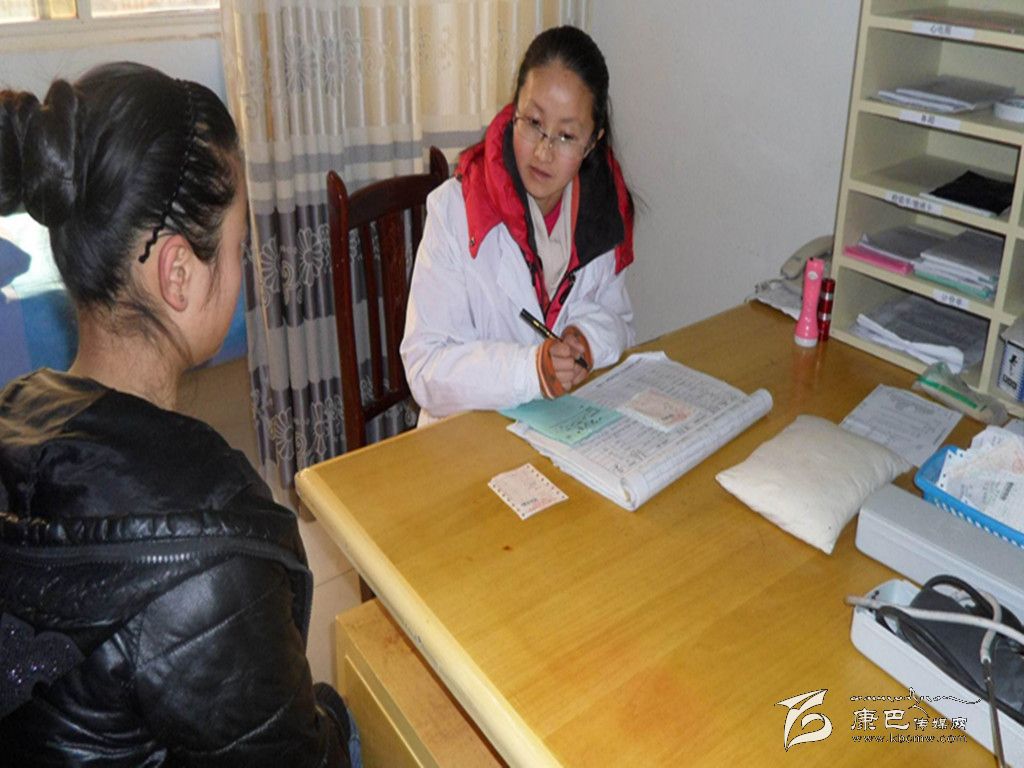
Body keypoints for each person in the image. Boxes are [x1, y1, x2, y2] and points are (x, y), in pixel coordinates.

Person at [0, 63, 356, 767]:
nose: (244, 266)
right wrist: (337, 716)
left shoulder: (16, 407)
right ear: (178, 273)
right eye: (239, 245)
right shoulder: (211, 553)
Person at [400, 25, 636, 424]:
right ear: (514, 112)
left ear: (592, 142)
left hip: (559, 429)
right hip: (465, 438)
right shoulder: (456, 210)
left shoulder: (603, 212)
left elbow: (621, 323)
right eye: (534, 123)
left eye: (566, 136)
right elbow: (426, 368)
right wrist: (531, 370)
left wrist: (586, 339)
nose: (543, 151)